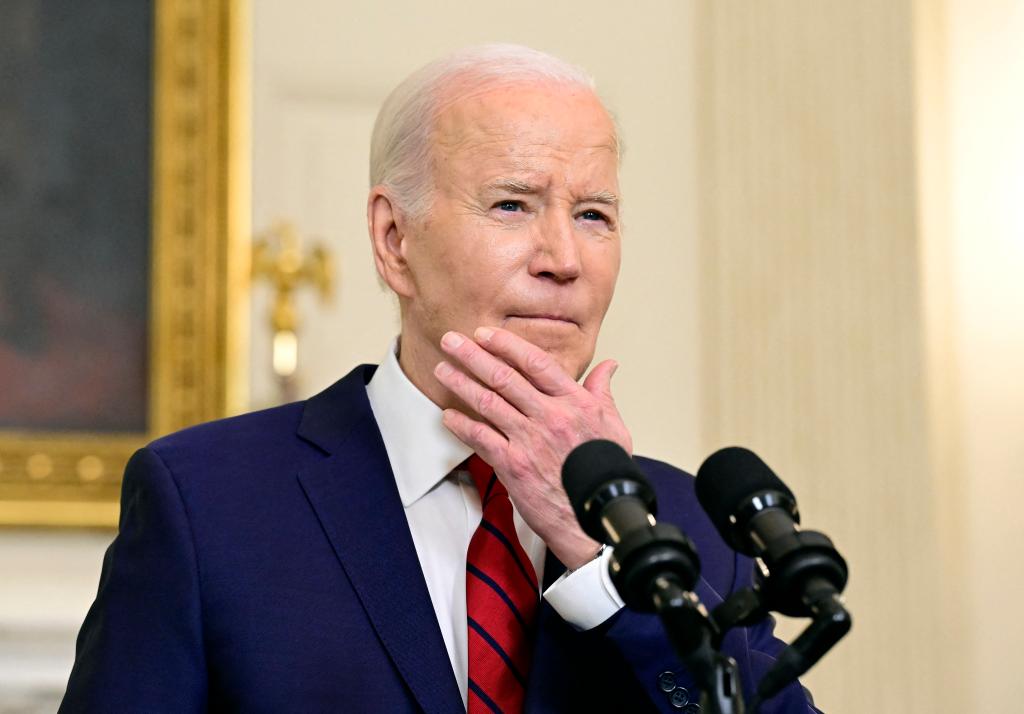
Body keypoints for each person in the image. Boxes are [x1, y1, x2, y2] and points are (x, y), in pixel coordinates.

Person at [61, 44, 818, 713]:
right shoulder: (207, 503)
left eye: (593, 215)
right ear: (394, 241)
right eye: (512, 205)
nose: (563, 258)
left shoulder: (689, 529)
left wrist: (604, 562)